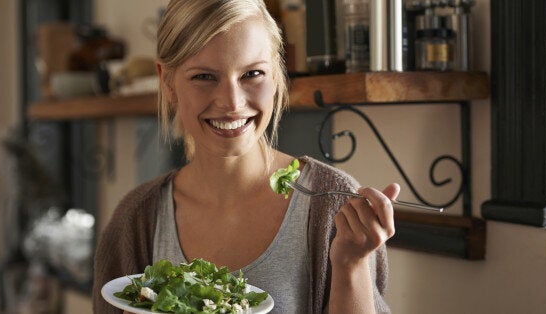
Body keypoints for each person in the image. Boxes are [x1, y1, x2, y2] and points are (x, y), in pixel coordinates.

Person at [93, 0, 399, 313]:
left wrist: (351, 265)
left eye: (252, 73)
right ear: (167, 81)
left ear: (277, 74)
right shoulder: (135, 219)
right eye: (204, 77)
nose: (232, 102)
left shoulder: (331, 203)